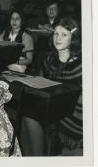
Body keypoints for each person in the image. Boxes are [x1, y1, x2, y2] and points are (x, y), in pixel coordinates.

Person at [42, 17, 82, 155]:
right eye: (56, 34)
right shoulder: (49, 59)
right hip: (53, 107)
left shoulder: (80, 65)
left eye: (64, 35)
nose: (58, 38)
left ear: (73, 38)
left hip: (72, 115)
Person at [0, 9, 34, 73]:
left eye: (17, 19)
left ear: (22, 21)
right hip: (4, 64)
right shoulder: (4, 34)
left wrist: (14, 61)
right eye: (12, 18)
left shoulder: (27, 37)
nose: (14, 21)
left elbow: (29, 60)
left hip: (19, 66)